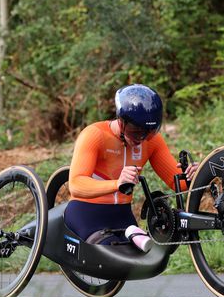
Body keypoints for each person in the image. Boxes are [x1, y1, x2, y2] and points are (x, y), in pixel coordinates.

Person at [66, 84, 198, 251]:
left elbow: (178, 183)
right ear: (121, 122)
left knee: (146, 255)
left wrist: (194, 175)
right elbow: (76, 185)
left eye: (149, 131)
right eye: (135, 131)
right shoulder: (95, 135)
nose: (141, 138)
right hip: (86, 211)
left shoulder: (152, 141)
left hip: (121, 214)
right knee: (110, 250)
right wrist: (117, 183)